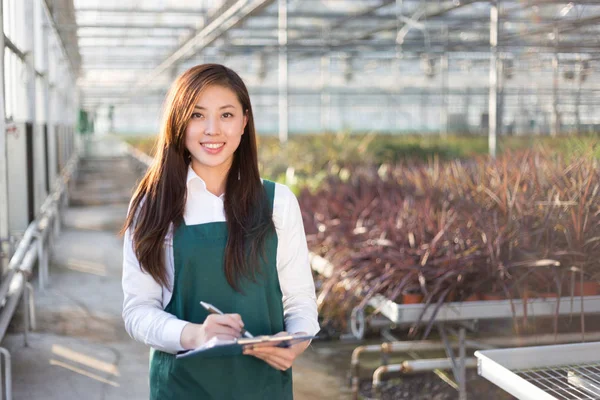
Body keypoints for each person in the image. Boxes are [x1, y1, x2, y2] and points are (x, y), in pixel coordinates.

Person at [121, 64, 320, 399]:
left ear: (244, 121)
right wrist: (194, 335)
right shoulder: (152, 206)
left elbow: (300, 299)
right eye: (198, 115)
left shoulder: (277, 202)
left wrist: (296, 341)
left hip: (263, 386)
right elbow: (138, 310)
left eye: (226, 115)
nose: (212, 130)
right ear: (178, 123)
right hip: (180, 387)